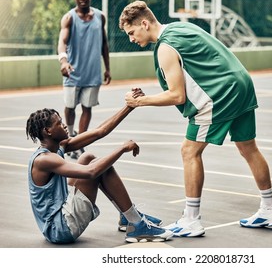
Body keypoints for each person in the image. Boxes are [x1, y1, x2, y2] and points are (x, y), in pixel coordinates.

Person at [119, 0, 272, 237]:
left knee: (189, 151)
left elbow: (177, 95)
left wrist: (139, 102)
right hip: (242, 84)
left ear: (144, 23)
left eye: (132, 32)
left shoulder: (165, 48)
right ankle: (269, 209)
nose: (131, 39)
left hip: (221, 94)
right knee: (248, 147)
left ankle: (191, 219)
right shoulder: (180, 28)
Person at [25, 104, 173, 244]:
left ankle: (126, 217)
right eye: (59, 123)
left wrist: (129, 107)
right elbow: (91, 172)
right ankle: (136, 224)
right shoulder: (44, 160)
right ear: (48, 131)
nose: (64, 125)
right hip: (61, 228)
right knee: (101, 167)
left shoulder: (57, 148)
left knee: (87, 157)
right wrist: (122, 149)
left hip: (59, 216)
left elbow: (100, 131)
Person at [58, 0, 111, 160]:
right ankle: (70, 136)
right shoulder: (69, 18)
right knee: (70, 106)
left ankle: (80, 141)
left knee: (87, 108)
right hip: (72, 73)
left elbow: (104, 43)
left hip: (93, 73)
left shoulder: (100, 16)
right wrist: (64, 61)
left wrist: (107, 68)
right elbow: (62, 41)